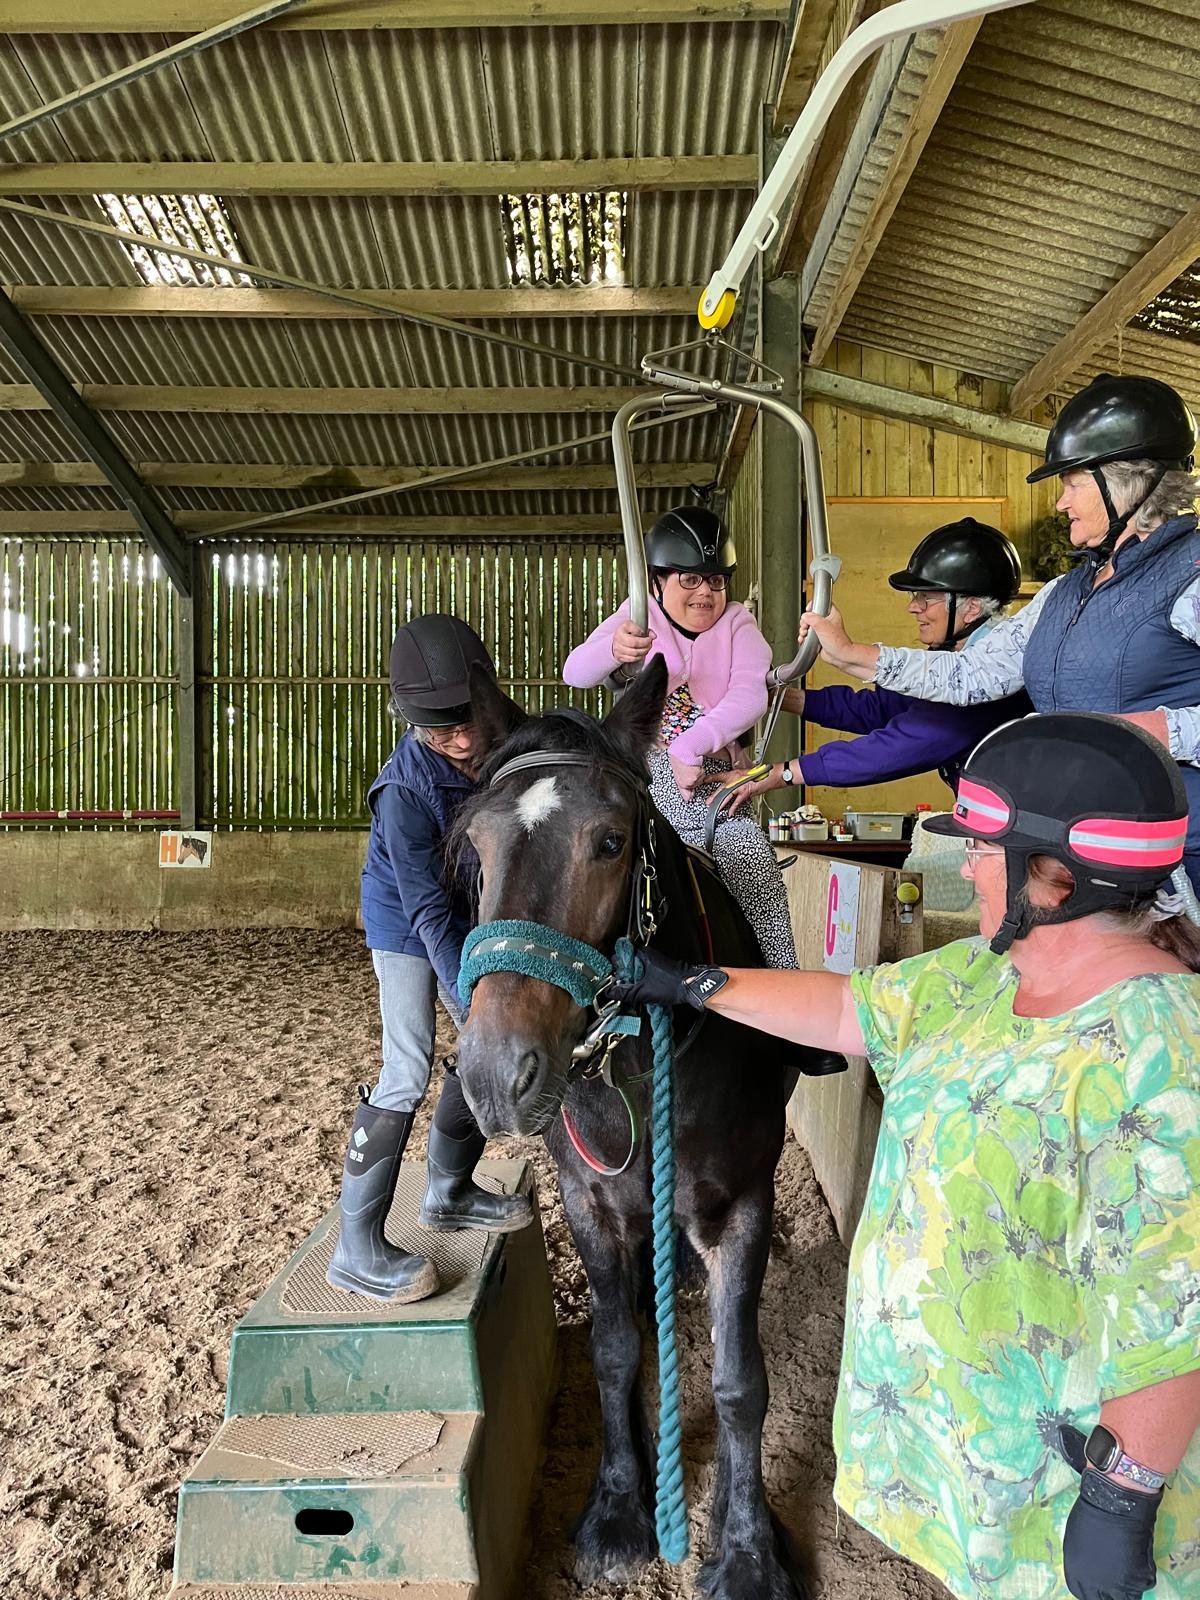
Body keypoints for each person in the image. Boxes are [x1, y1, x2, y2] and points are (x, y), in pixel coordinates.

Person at [610, 712, 1200, 1600]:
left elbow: (1178, 1316)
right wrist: (695, 985)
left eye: (982, 847)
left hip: (1065, 1487)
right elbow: (849, 1010)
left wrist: (1122, 1501)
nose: (965, 863)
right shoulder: (985, 976)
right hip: (975, 1461)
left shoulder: (1164, 1059)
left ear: (1056, 877)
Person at [796, 374, 1200, 893]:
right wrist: (851, 653)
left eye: (1072, 484)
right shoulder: (1064, 590)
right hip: (1079, 848)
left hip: (1179, 853)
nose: (1060, 503)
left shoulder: (1189, 574)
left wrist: (1161, 729)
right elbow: (973, 675)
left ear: (1126, 481)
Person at [327, 612, 532, 1304]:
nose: (466, 740)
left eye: (470, 721)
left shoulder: (501, 737)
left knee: (479, 1049)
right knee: (407, 1066)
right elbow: (425, 911)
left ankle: (448, 1192)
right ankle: (355, 1250)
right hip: (408, 925)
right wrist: (464, 988)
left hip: (476, 908)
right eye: (445, 732)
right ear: (413, 724)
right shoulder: (405, 791)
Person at [562, 504, 797, 968]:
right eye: (689, 580)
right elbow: (576, 673)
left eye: (715, 580)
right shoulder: (639, 614)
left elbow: (750, 696)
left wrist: (690, 748)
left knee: (748, 853)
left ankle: (782, 973)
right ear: (657, 582)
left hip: (714, 782)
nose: (705, 593)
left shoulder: (737, 625)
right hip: (643, 779)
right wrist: (612, 648)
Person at [726, 519, 1031, 809]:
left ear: (972, 608)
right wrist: (776, 697)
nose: (913, 607)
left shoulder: (984, 683)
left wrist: (779, 774)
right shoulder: (957, 663)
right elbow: (880, 709)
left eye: (925, 597)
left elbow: (891, 750)